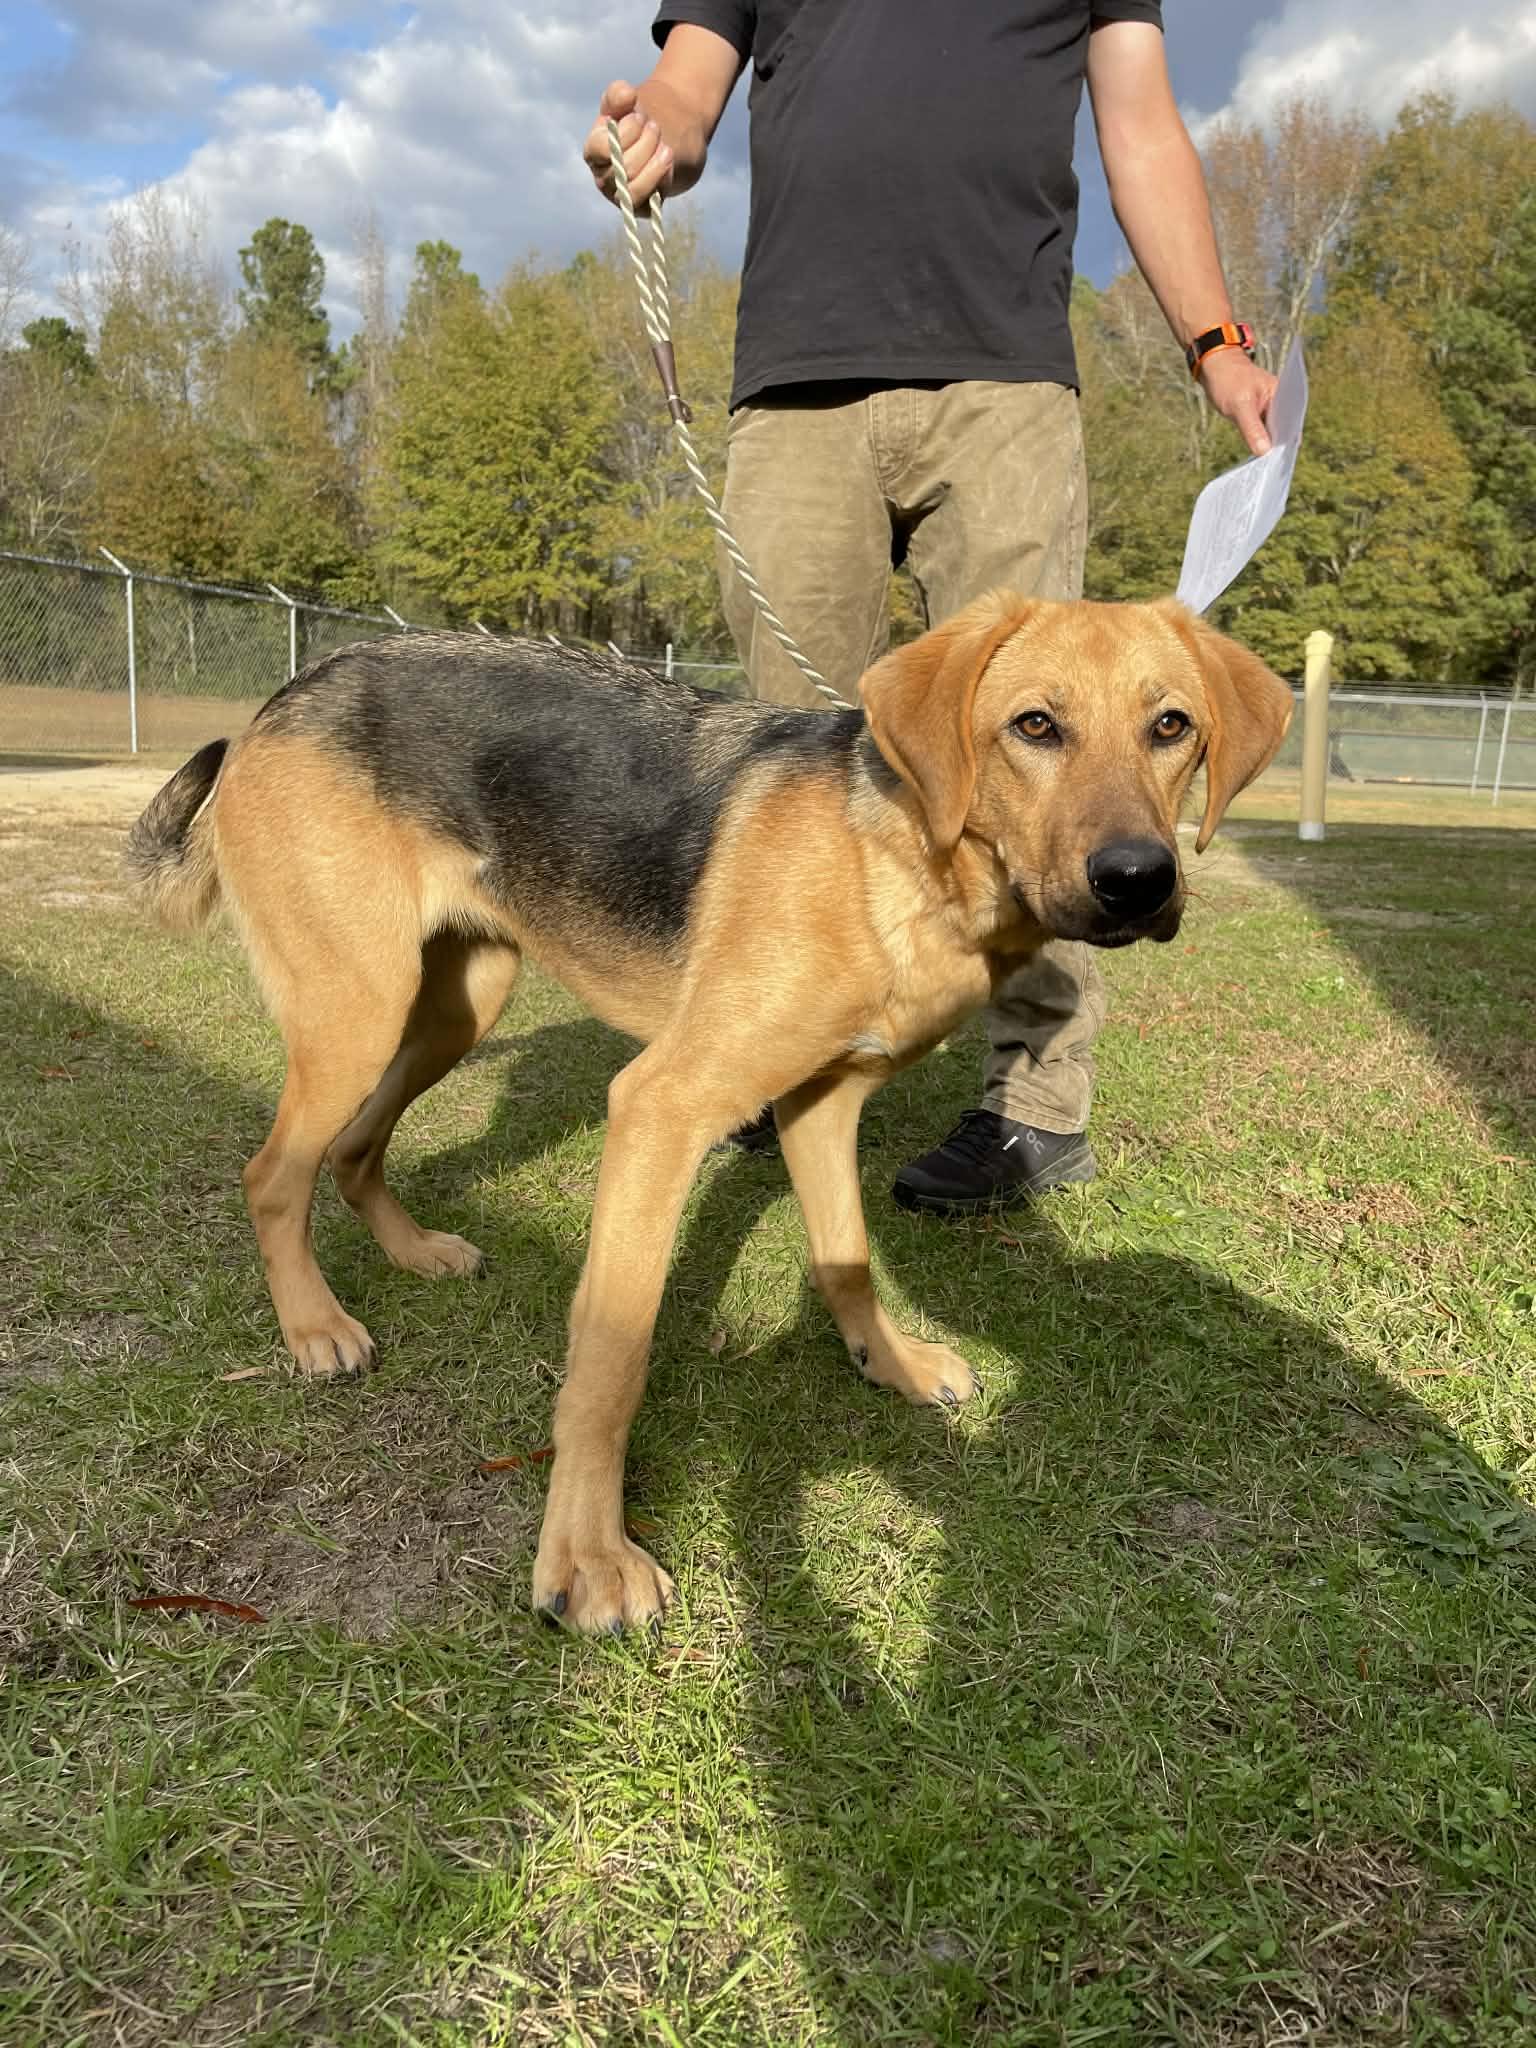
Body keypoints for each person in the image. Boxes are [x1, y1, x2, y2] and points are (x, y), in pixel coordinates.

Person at [583, 4, 1276, 1215]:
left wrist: (1216, 340)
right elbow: (688, 92)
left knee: (1069, 751)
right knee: (788, 756)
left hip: (1005, 382)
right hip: (797, 381)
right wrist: (650, 139)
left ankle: (1033, 1103)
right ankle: (777, 1047)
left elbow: (1142, 122)